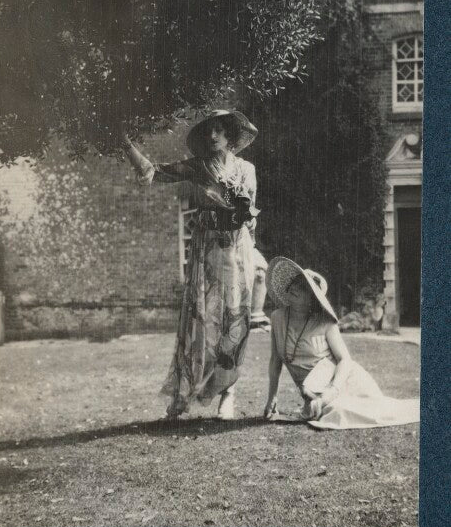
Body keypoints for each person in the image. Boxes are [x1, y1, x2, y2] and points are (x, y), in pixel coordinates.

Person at [124, 109, 259, 419]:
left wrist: (241, 211)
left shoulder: (247, 169)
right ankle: (183, 394)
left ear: (230, 136)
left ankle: (227, 393)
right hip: (207, 250)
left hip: (238, 251)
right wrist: (124, 143)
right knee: (199, 321)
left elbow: (250, 213)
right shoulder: (197, 168)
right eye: (209, 131)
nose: (213, 136)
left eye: (219, 130)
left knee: (234, 321)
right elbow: (154, 172)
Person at [263, 257, 420, 430]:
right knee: (327, 413)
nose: (294, 287)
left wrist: (332, 391)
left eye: (303, 286)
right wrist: (272, 398)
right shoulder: (277, 318)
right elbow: (275, 361)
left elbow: (345, 360)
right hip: (314, 389)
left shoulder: (325, 323)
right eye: (294, 282)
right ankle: (320, 402)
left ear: (312, 300)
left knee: (340, 413)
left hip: (343, 381)